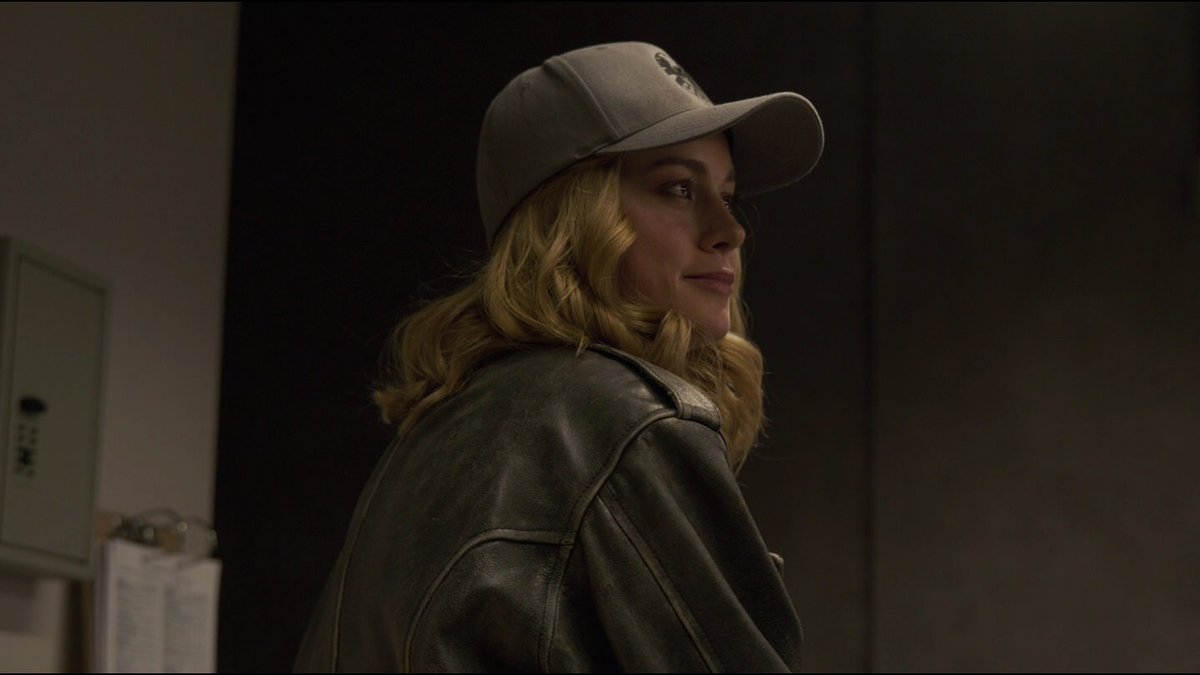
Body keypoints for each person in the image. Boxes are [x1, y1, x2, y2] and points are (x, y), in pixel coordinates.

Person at [294, 41, 823, 673]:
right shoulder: (628, 421)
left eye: (728, 196)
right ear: (571, 220)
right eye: (679, 188)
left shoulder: (434, 435)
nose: (729, 230)